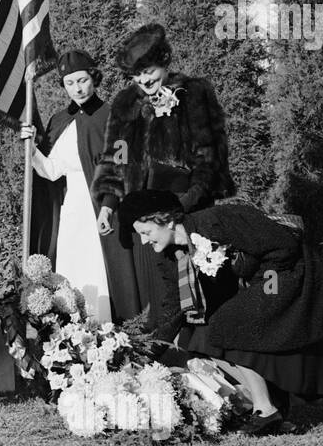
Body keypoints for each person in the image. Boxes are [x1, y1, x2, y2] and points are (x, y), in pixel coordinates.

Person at [121, 189, 323, 435]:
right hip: (261, 280)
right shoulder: (171, 257)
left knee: (230, 322)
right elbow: (175, 306)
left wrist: (252, 277)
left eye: (146, 233)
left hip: (284, 275)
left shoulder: (216, 221)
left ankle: (266, 410)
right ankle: (267, 405)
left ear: (167, 220)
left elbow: (284, 246)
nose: (145, 241)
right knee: (202, 334)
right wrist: (147, 352)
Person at [92, 22, 235, 321]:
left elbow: (208, 157)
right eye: (136, 75)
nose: (143, 80)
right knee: (159, 298)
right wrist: (108, 204)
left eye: (149, 71)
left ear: (165, 62)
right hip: (145, 218)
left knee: (198, 294)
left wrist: (184, 206)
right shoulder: (125, 103)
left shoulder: (194, 93)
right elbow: (117, 156)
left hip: (186, 213)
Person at [20, 50, 137, 323]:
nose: (78, 88)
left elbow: (122, 167)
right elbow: (50, 171)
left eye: (82, 80)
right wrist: (32, 147)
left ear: (93, 78)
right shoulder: (59, 121)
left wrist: (107, 207)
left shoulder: (115, 117)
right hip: (72, 210)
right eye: (70, 83)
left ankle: (107, 334)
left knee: (100, 271)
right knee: (72, 273)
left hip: (104, 208)